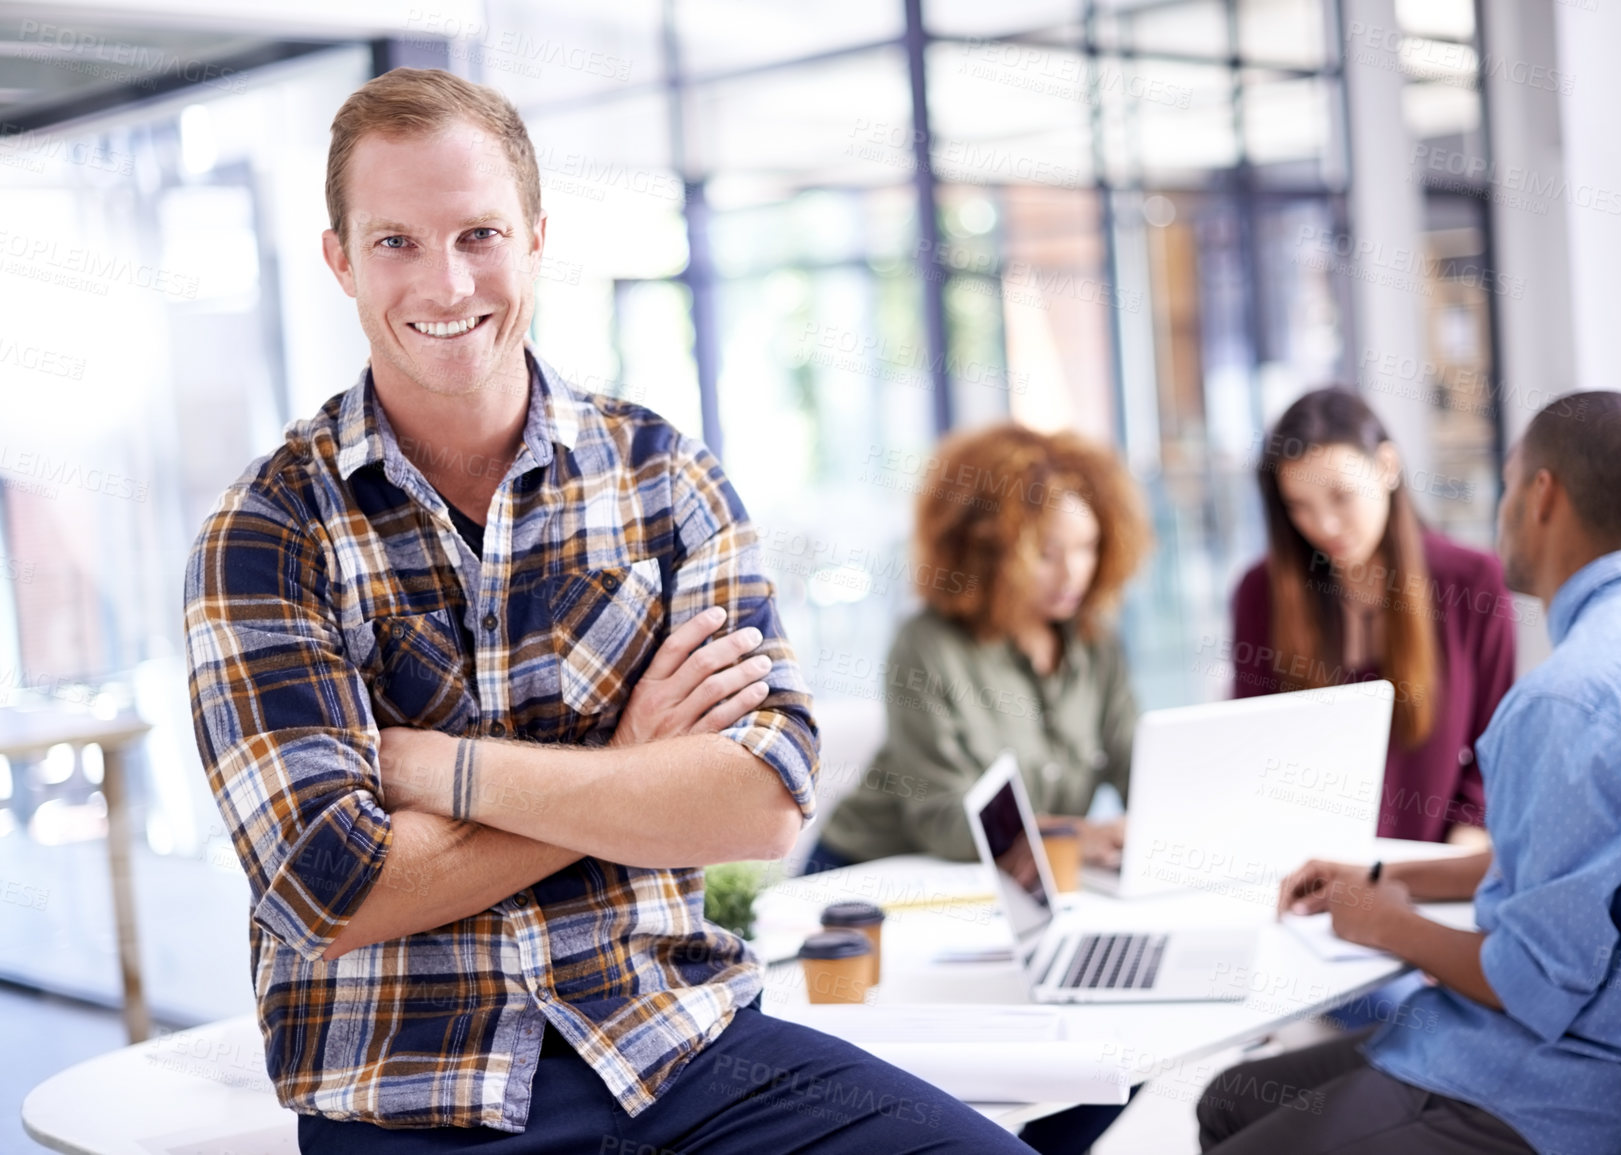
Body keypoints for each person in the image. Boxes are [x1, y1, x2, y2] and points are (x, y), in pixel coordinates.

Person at [184, 68, 1036, 1154]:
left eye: (479, 233)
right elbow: (331, 892)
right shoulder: (266, 533)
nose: (445, 285)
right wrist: (632, 766)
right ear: (340, 259)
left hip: (684, 1050)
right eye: (396, 241)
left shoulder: (661, 475)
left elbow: (765, 800)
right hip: (412, 1098)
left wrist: (451, 771)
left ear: (537, 236)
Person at [1196, 391, 1621, 1154]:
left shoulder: (1570, 699)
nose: (1500, 507)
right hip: (1564, 1065)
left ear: (1540, 495)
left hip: (1528, 1093)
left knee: (1233, 1124)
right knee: (1228, 1101)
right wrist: (1379, 872)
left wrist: (1383, 921)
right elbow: (1555, 860)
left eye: (1509, 483)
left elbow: (1532, 980)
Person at [814, 423, 1153, 873]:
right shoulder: (926, 645)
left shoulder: (1097, 644)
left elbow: (1141, 771)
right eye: (1047, 554)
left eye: (1087, 547)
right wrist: (1071, 835)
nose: (1073, 573)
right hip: (873, 877)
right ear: (988, 550)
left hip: (1011, 886)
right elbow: (941, 819)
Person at [1231, 387, 1516, 843]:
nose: (1323, 526)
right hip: (1301, 873)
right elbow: (1250, 746)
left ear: (1387, 467)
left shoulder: (1473, 583)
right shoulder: (1260, 593)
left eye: (1342, 497)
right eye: (1299, 507)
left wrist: (1450, 867)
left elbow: (1498, 749)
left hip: (1431, 877)